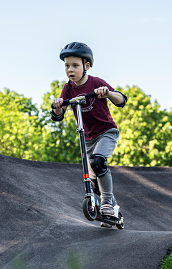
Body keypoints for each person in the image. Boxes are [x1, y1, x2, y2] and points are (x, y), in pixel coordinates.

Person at [51, 42, 127, 227]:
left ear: (86, 66)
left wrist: (107, 93)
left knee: (98, 162)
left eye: (75, 65)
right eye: (67, 66)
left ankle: (107, 203)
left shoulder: (96, 83)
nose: (70, 70)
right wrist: (58, 106)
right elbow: (57, 116)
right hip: (87, 138)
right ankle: (111, 213)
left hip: (106, 132)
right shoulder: (68, 88)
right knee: (94, 183)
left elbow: (122, 100)